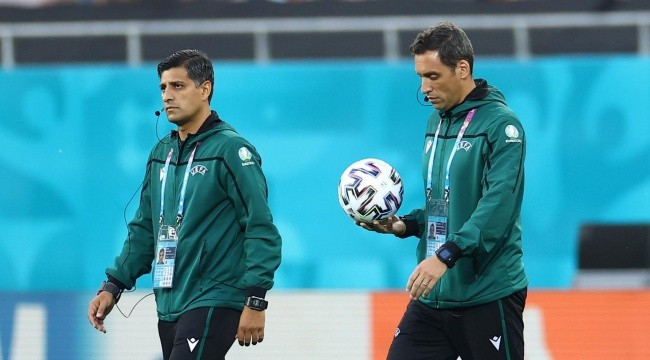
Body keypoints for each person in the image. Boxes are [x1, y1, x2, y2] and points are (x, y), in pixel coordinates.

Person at [87, 49, 282, 360]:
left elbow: (260, 226)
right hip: (169, 302)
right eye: (163, 88)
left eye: (178, 86)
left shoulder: (231, 150)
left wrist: (256, 300)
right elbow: (145, 227)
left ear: (204, 90)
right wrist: (113, 285)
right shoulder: (160, 152)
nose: (167, 96)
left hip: (215, 297)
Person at [358, 22, 527, 360]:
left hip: (487, 293)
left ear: (462, 68)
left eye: (433, 76)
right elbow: (445, 205)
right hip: (435, 294)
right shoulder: (436, 122)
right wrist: (405, 225)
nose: (424, 88)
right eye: (420, 76)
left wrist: (446, 255)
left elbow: (497, 207)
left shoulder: (502, 127)